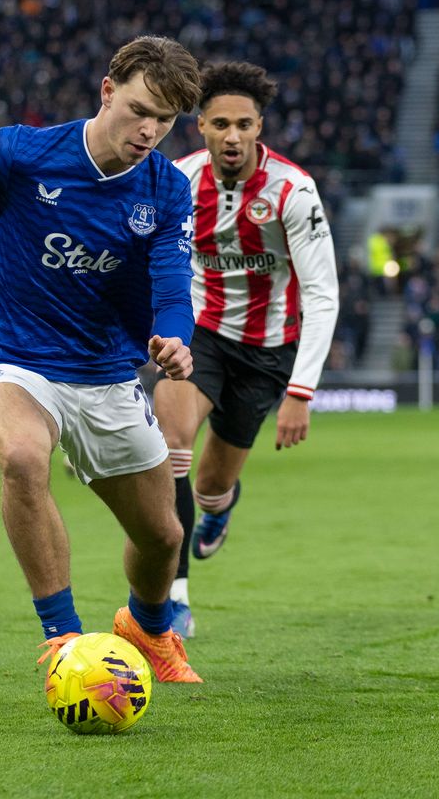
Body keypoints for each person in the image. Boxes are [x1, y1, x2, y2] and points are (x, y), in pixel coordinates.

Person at [0, 36, 204, 683]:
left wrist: (172, 336)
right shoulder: (24, 152)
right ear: (107, 91)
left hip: (106, 373)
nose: (149, 131)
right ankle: (64, 641)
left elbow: (170, 283)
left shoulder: (166, 190)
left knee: (164, 537)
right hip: (10, 359)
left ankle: (148, 625)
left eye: (163, 121)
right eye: (138, 110)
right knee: (23, 456)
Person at [155, 62, 340, 637]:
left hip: (266, 350)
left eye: (243, 124)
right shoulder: (179, 180)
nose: (232, 136)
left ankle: (217, 508)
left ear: (260, 127)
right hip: (200, 334)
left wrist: (300, 392)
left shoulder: (292, 189)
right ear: (200, 126)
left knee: (210, 484)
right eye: (220, 124)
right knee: (172, 448)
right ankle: (174, 598)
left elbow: (322, 293)